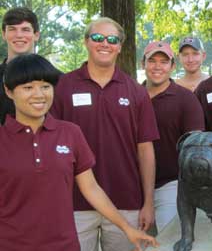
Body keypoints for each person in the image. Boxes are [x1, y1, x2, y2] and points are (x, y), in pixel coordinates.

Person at [0, 54, 158, 251]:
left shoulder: (70, 133)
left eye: (45, 86)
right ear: (8, 91)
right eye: (28, 87)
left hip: (64, 245)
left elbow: (92, 189)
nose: (39, 94)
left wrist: (127, 228)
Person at [50, 17, 159, 251]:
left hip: (126, 202)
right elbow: (51, 145)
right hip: (73, 204)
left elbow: (145, 150)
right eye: (98, 38)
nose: (105, 44)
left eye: (112, 40)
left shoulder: (136, 92)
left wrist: (148, 202)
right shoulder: (63, 87)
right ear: (86, 42)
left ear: (120, 46)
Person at [142, 41, 205, 233]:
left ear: (172, 66)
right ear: (142, 64)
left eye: (164, 61)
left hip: (171, 184)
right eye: (152, 61)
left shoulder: (186, 99)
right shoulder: (132, 96)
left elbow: (195, 148)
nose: (157, 66)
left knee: (169, 239)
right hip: (133, 185)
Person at [0, 7, 40, 125]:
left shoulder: (57, 79)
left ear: (36, 35)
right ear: (4, 34)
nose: (19, 35)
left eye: (25, 29)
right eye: (12, 29)